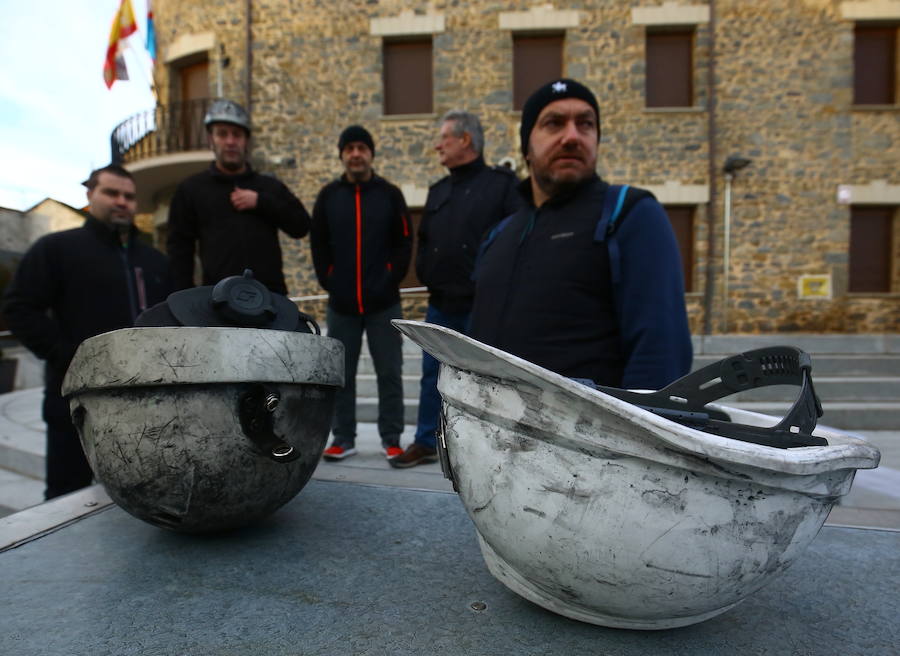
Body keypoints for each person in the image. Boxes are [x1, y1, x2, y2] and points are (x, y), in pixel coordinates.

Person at [468, 78, 692, 392]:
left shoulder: (630, 214)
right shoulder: (500, 234)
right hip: (494, 434)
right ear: (526, 147)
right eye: (554, 123)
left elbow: (660, 354)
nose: (572, 136)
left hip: (586, 438)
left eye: (585, 124)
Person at [2, 165, 172, 499]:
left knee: (149, 494)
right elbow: (19, 309)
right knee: (68, 498)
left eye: (129, 196)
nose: (121, 202)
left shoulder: (155, 262)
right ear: (89, 195)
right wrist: (73, 356)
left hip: (147, 406)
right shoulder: (56, 250)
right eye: (112, 193)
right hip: (76, 403)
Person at [390, 110, 521, 469]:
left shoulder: (502, 186)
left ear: (465, 140)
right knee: (432, 376)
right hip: (441, 303)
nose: (437, 145)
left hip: (482, 306)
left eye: (444, 137)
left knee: (488, 379)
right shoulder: (438, 190)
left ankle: (489, 447)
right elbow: (426, 238)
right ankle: (425, 441)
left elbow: (515, 241)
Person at [310, 125, 412, 461]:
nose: (355, 154)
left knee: (389, 373)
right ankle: (343, 437)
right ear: (342, 154)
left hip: (383, 303)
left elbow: (404, 242)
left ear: (371, 153)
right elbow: (318, 245)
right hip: (342, 305)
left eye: (361, 148)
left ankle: (392, 438)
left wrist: (388, 278)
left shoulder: (390, 194)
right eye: (349, 148)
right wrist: (330, 280)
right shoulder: (328, 197)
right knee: (341, 376)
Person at [166, 98, 310, 295]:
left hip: (270, 298)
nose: (230, 141)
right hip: (217, 300)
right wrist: (185, 299)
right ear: (211, 139)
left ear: (246, 141)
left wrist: (261, 202)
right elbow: (179, 251)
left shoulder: (269, 187)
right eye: (222, 134)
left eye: (237, 135)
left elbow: (301, 225)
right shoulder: (191, 189)